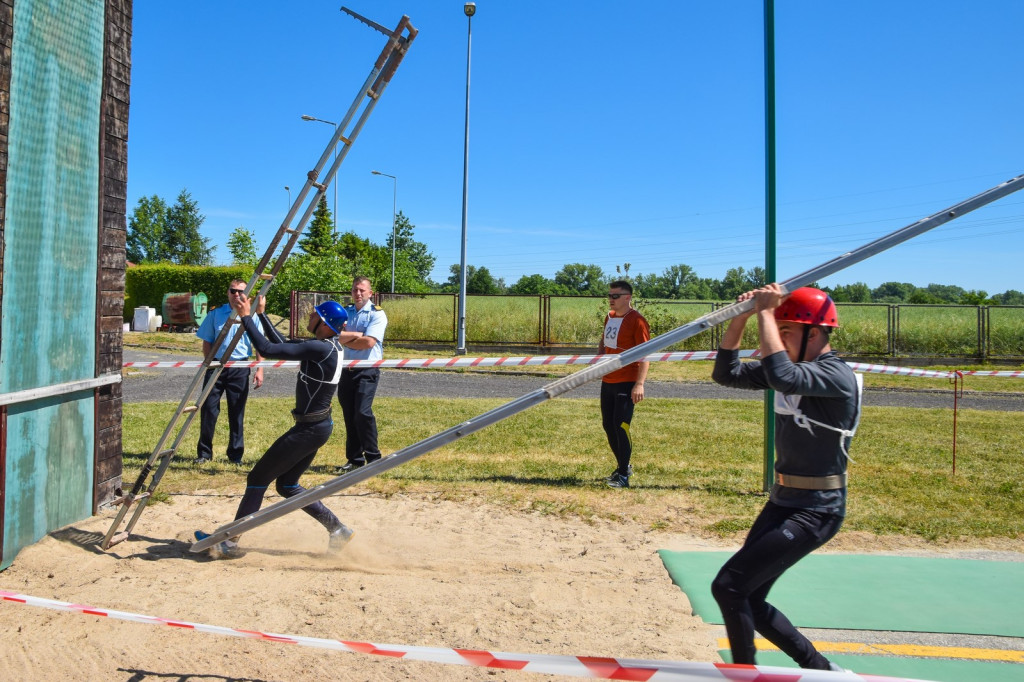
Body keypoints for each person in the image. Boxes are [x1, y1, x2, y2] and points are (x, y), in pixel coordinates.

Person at [709, 284, 860, 672]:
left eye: (786, 331)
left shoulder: (835, 375)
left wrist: (764, 312)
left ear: (816, 333)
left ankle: (745, 676)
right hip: (784, 501)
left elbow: (784, 376)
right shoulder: (791, 370)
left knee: (729, 586)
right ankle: (823, 673)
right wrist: (742, 315)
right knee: (749, 599)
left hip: (817, 510)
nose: (777, 338)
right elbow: (726, 373)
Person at [194, 295, 364, 559]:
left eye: (314, 315)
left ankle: (230, 541)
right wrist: (261, 315)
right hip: (317, 427)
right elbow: (281, 343)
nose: (309, 317)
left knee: (257, 478)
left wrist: (246, 316)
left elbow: (270, 350)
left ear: (325, 323)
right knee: (286, 485)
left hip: (309, 430)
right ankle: (338, 530)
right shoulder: (326, 346)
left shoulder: (321, 349)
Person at [195, 280, 264, 464]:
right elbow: (207, 340)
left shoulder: (252, 316)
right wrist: (209, 363)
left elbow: (260, 345)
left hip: (240, 368)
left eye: (240, 292)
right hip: (216, 366)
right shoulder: (216, 314)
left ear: (247, 295)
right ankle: (204, 454)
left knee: (237, 411)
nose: (236, 295)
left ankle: (235, 455)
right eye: (233, 291)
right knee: (209, 410)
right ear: (228, 293)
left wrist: (260, 369)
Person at [598, 280, 650, 488]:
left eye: (615, 296)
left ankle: (623, 475)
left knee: (621, 426)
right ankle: (623, 467)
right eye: (609, 296)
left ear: (627, 297)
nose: (611, 299)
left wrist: (640, 384)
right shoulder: (609, 317)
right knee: (608, 426)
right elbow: (604, 341)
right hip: (607, 380)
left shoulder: (637, 321)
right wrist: (598, 361)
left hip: (626, 382)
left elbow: (646, 353)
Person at [336, 276, 389, 473]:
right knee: (349, 415)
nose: (358, 293)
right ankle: (355, 459)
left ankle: (374, 458)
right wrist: (355, 337)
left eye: (362, 290)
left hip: (367, 370)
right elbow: (334, 335)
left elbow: (368, 343)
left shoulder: (377, 314)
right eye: (355, 290)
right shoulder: (346, 312)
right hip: (345, 370)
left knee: (362, 412)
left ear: (370, 293)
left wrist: (346, 339)